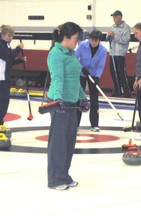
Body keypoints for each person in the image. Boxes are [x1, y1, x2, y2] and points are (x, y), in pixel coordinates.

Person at [47, 22, 90, 190]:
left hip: (72, 104)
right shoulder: (56, 54)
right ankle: (55, 179)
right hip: (60, 103)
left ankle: (64, 175)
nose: (77, 42)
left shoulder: (71, 53)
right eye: (75, 39)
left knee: (69, 141)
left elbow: (74, 80)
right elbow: (57, 78)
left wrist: (83, 98)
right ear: (65, 38)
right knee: (58, 143)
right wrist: (57, 99)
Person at [75, 30, 107, 132]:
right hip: (81, 73)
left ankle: (94, 124)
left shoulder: (103, 50)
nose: (93, 43)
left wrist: (97, 77)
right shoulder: (82, 45)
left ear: (99, 40)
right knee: (79, 97)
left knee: (94, 99)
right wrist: (82, 68)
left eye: (95, 41)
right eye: (91, 40)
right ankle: (75, 124)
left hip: (93, 75)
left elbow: (101, 65)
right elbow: (75, 58)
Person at [0, 25, 26, 126]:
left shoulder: (6, 45)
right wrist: (18, 49)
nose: (10, 38)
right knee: (3, 100)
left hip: (5, 76)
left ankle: (1, 121)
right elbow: (9, 58)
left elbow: (8, 61)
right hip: (1, 78)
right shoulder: (1, 45)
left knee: (4, 100)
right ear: (2, 35)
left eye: (12, 36)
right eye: (8, 36)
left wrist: (20, 60)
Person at [107, 10, 131, 97]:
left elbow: (125, 40)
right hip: (112, 53)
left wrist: (114, 36)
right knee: (112, 72)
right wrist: (108, 35)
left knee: (121, 73)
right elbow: (108, 37)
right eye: (113, 17)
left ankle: (126, 91)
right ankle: (117, 90)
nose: (113, 19)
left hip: (120, 54)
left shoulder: (126, 27)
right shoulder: (112, 26)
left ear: (120, 17)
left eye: (115, 17)